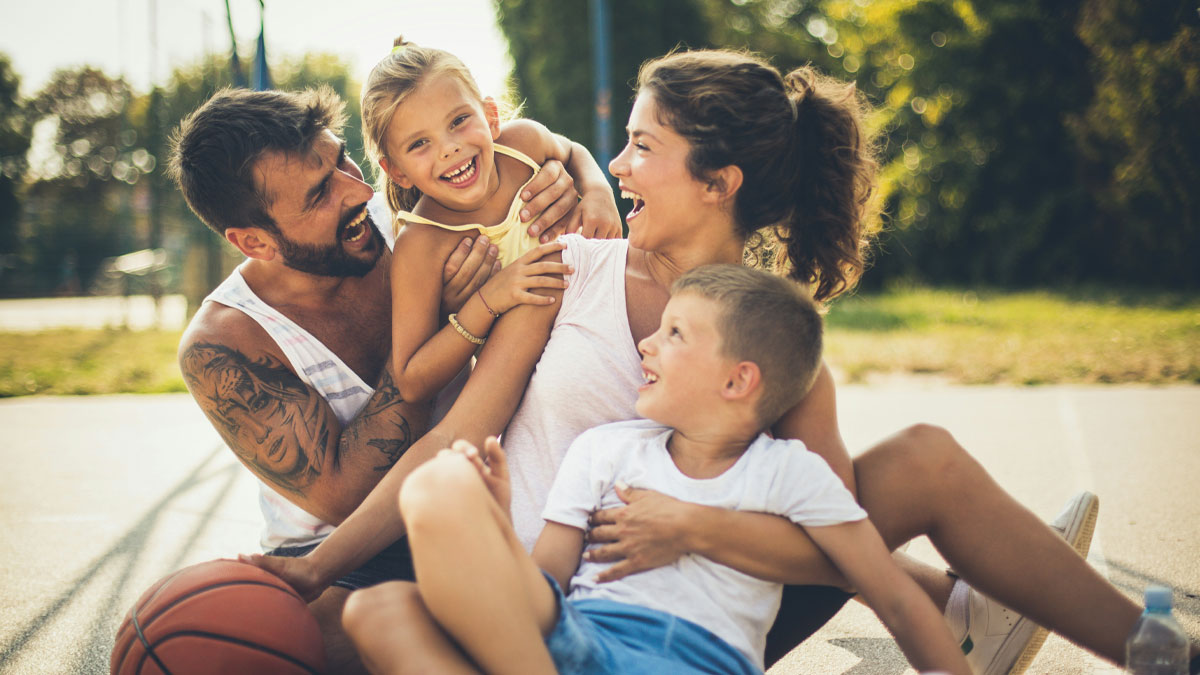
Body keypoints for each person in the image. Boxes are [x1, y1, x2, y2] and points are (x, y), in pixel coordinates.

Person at [247, 49, 1194, 674]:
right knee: (340, 625)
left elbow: (834, 537)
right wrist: (314, 564)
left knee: (919, 460)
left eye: (640, 147)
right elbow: (455, 432)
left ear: (718, 182)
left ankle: (1156, 649)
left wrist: (693, 531)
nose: (612, 167)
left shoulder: (771, 342)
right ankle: (972, 607)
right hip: (539, 606)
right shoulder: (565, 271)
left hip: (695, 620)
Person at [168, 84, 601, 673]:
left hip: (466, 500)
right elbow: (348, 496)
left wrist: (581, 174)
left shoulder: (412, 207)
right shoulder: (226, 344)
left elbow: (528, 146)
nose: (360, 189)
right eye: (321, 193)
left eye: (342, 157)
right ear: (255, 241)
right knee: (331, 632)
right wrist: (451, 326)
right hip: (342, 554)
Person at [363, 263, 972, 674]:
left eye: (674, 333)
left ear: (739, 380)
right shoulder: (604, 450)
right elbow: (544, 582)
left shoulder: (788, 473)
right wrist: (493, 522)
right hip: (579, 640)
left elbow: (896, 599)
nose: (647, 345)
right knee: (389, 584)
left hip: (690, 659)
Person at [360, 37, 619, 405]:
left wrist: (597, 190)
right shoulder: (420, 245)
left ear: (491, 117)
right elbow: (412, 380)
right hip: (542, 388)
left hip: (614, 324)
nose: (449, 148)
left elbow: (572, 150)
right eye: (420, 144)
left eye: (459, 121)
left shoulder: (522, 145)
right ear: (397, 171)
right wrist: (488, 301)